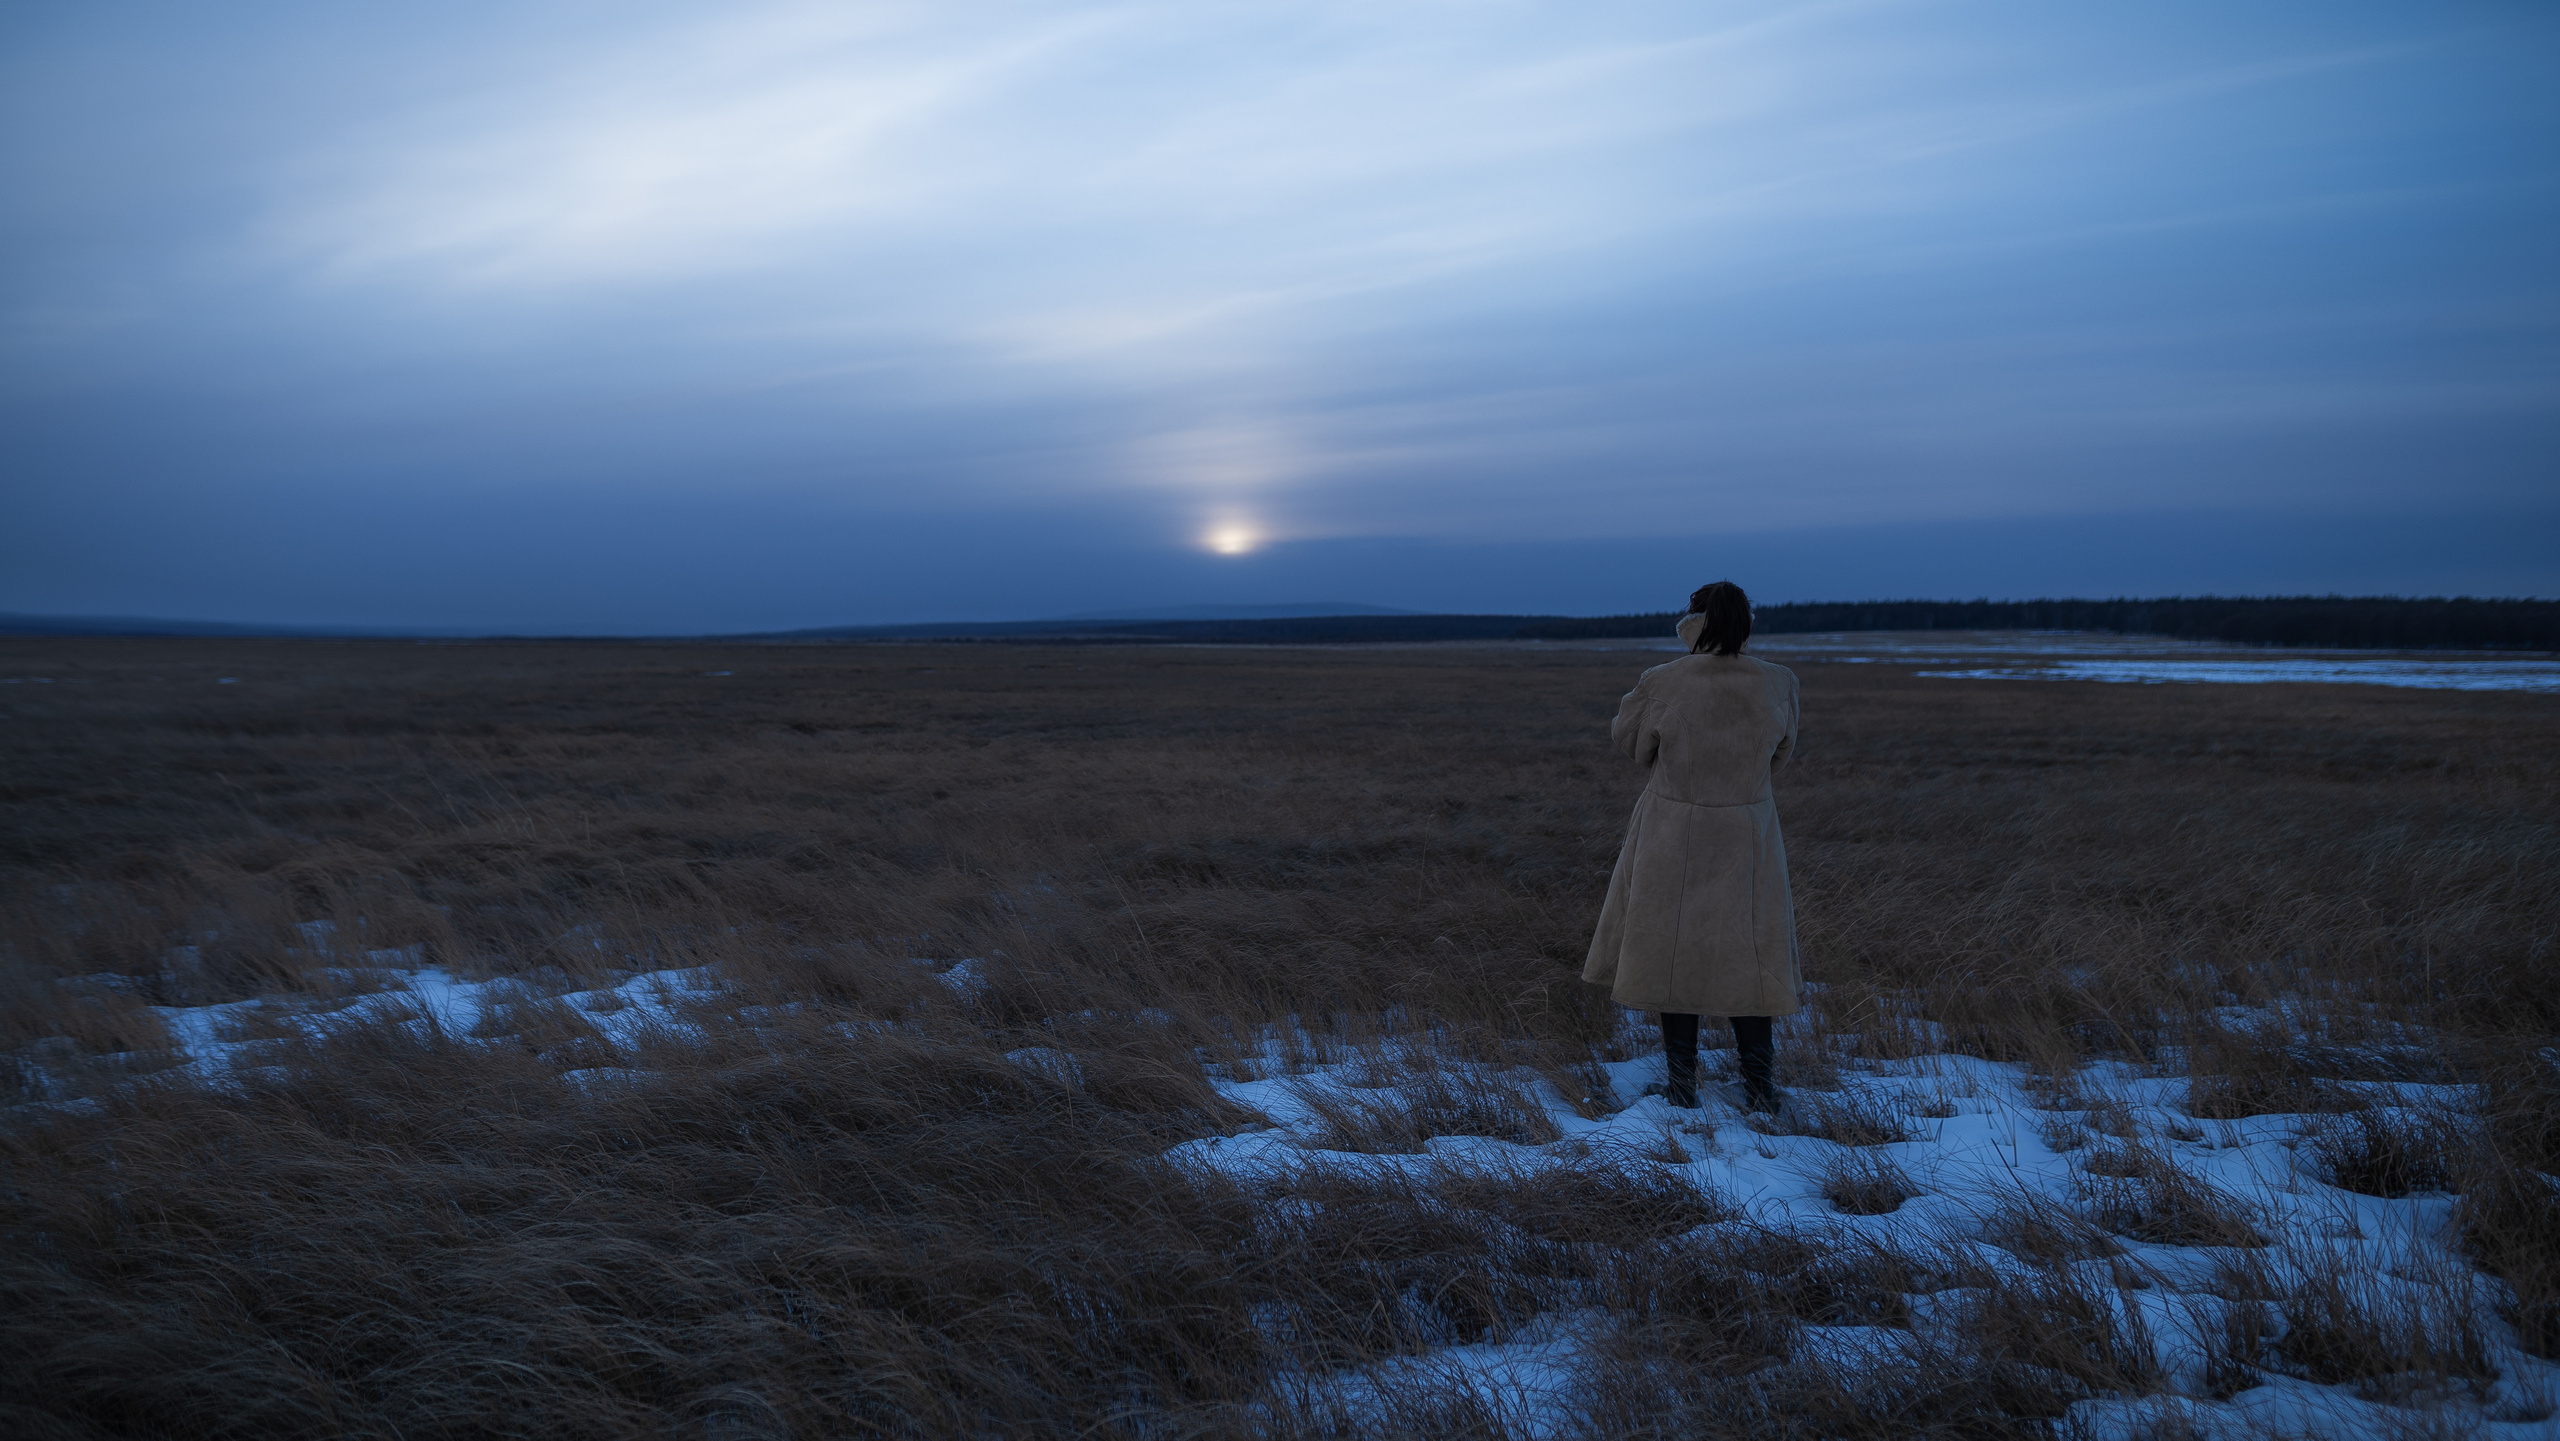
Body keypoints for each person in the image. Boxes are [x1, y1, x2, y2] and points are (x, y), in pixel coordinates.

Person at [1581, 580, 1801, 1112]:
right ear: (1747, 622)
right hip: (1749, 834)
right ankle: (1759, 1089)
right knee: (1751, 955)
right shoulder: (1779, 683)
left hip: (1671, 833)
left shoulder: (1664, 681)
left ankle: (1682, 1088)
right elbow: (1782, 756)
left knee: (1671, 952)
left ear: (1694, 621)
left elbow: (1632, 743)